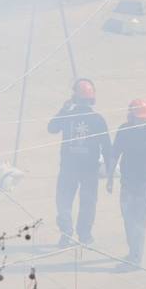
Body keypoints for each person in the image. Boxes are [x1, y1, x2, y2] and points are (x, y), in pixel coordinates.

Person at [105, 98, 146, 269]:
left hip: (143, 185)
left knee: (137, 219)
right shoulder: (124, 131)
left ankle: (135, 258)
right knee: (129, 218)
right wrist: (110, 178)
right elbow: (115, 155)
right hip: (127, 183)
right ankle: (134, 251)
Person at [47, 77, 111, 247]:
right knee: (88, 203)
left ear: (75, 97)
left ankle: (66, 233)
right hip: (89, 170)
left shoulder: (67, 115)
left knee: (64, 201)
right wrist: (110, 172)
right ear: (92, 98)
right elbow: (107, 147)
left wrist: (63, 109)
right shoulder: (98, 119)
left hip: (69, 168)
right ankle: (84, 235)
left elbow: (51, 128)